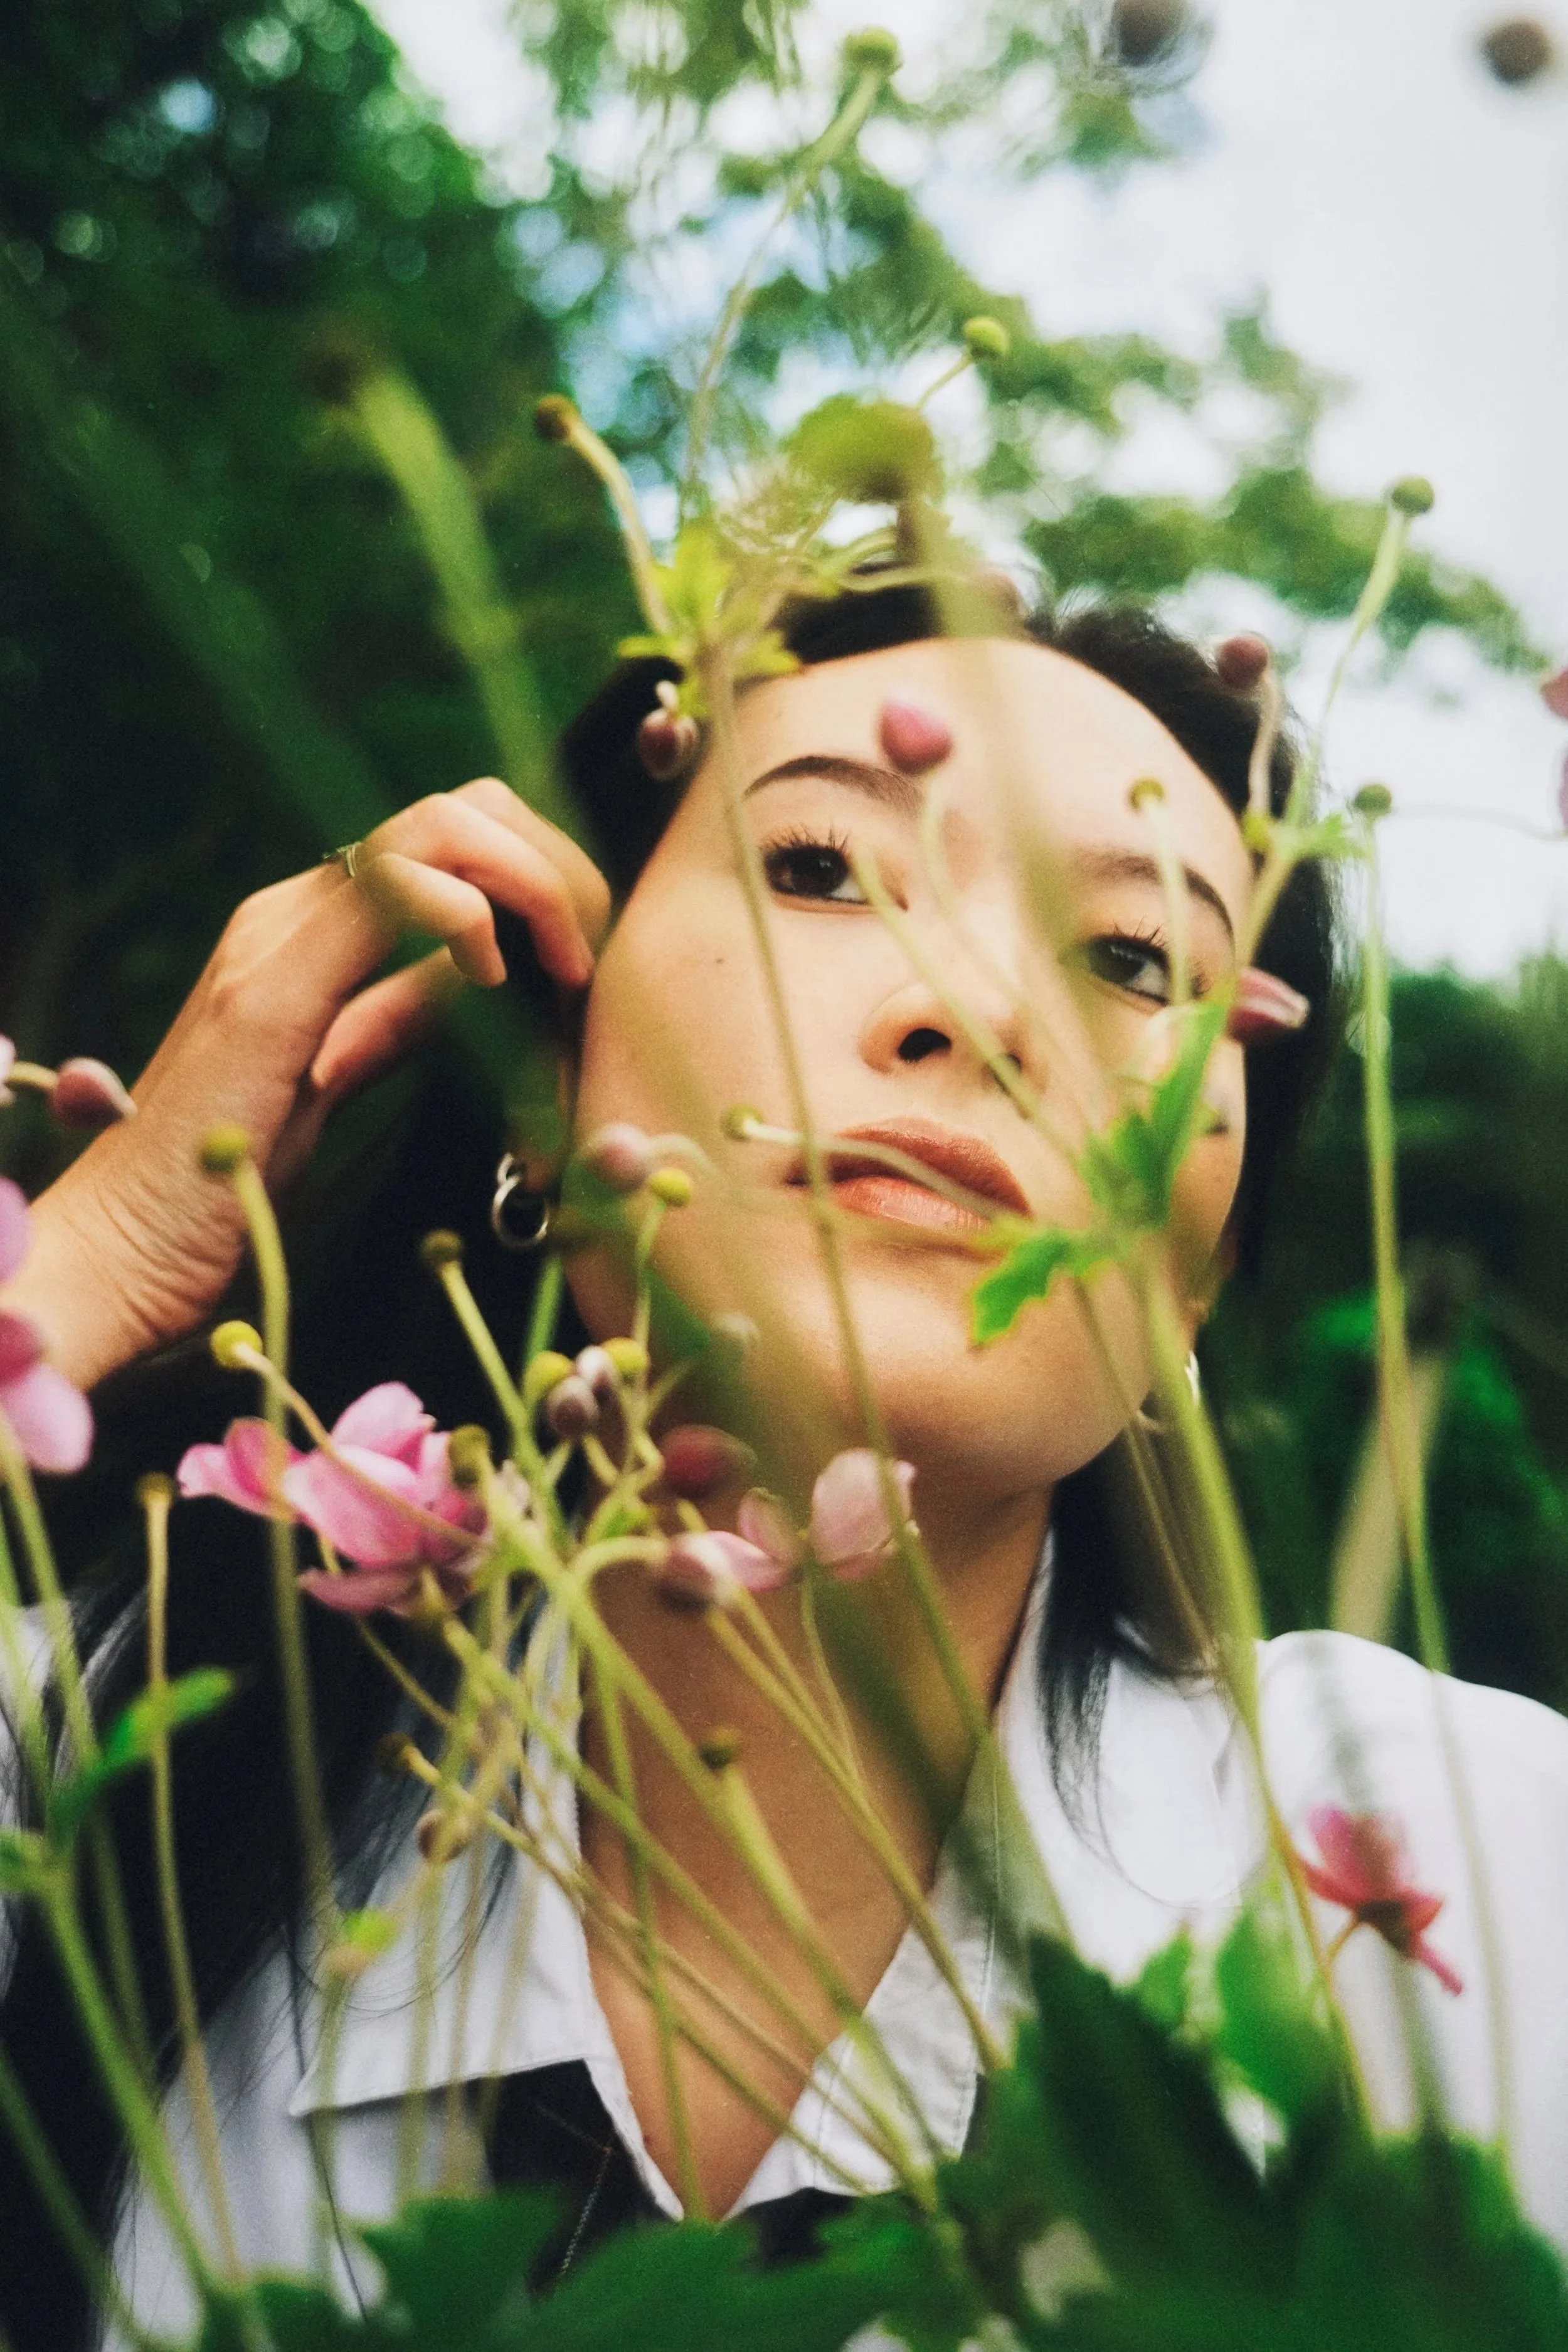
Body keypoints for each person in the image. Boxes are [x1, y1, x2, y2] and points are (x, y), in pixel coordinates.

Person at [4, 583, 1568, 2351]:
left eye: (1134, 958)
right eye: (822, 864)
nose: (976, 1008)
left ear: (1190, 1287)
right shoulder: (80, 1767)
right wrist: (74, 1278)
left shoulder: (1503, 1892)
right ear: (541, 1081)